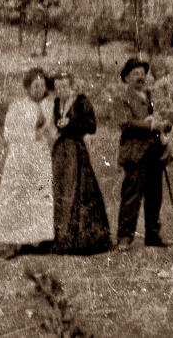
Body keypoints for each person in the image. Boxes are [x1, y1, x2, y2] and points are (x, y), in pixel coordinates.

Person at [0, 67, 56, 257]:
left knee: (40, 195)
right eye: (35, 85)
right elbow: (8, 133)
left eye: (42, 85)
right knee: (17, 196)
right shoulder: (18, 106)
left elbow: (52, 131)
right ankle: (13, 241)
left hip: (40, 156)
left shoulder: (50, 106)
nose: (39, 89)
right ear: (27, 87)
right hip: (21, 156)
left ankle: (37, 239)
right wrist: (31, 134)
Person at [113, 57, 173, 251]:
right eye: (135, 74)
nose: (140, 77)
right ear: (127, 78)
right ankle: (124, 236)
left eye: (142, 73)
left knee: (155, 196)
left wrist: (165, 123)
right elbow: (126, 123)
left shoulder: (151, 96)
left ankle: (153, 235)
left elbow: (165, 117)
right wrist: (151, 125)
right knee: (132, 195)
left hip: (155, 152)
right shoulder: (122, 98)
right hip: (135, 153)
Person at [50, 71, 112, 255]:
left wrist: (70, 123)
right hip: (61, 151)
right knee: (61, 189)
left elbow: (91, 126)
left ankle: (83, 238)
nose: (61, 89)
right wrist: (60, 123)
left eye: (64, 85)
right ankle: (61, 236)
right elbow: (56, 122)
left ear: (71, 85)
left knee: (79, 189)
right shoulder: (57, 102)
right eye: (58, 87)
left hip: (76, 150)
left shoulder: (81, 101)